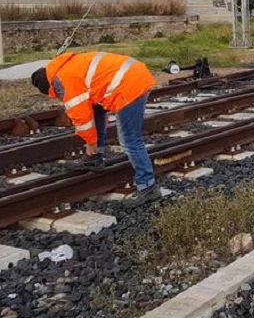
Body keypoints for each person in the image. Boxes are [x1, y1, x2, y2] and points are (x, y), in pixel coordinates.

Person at [31, 51, 161, 206]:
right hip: (132, 74)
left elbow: (82, 119)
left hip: (130, 85)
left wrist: (91, 143)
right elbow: (88, 108)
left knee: (130, 140)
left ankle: (148, 186)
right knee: (96, 109)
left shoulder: (64, 81)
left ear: (49, 86)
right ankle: (95, 158)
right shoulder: (64, 66)